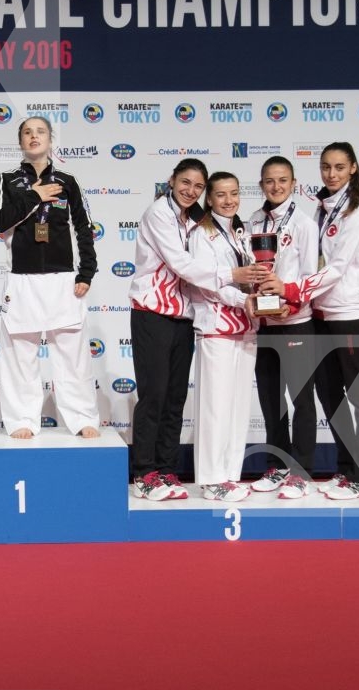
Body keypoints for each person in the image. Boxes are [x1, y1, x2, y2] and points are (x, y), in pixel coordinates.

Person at [125, 158, 267, 500]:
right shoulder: (159, 213)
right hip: (152, 312)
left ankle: (166, 470)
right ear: (172, 180)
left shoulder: (192, 220)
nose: (191, 190)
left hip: (183, 316)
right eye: (186, 182)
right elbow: (183, 265)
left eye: (198, 186)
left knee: (175, 398)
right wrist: (232, 276)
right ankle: (144, 474)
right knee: (154, 395)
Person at [0, 116, 101, 441]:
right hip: (22, 278)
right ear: (20, 141)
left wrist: (87, 271)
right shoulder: (7, 181)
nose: (34, 136)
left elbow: (84, 228)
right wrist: (35, 196)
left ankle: (82, 417)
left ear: (51, 139)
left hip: (62, 278)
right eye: (27, 132)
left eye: (40, 131)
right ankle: (21, 419)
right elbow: (0, 221)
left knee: (72, 356)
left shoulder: (68, 181)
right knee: (20, 355)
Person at [295, 143, 359, 500]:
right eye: (326, 167)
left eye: (339, 167)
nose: (331, 174)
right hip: (321, 313)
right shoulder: (322, 208)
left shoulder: (357, 210)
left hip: (349, 315)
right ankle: (346, 469)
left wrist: (294, 290)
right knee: (330, 396)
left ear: (353, 168)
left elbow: (337, 267)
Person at [244, 156, 321, 500]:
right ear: (261, 184)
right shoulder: (253, 221)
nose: (276, 186)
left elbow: (309, 276)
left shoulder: (304, 223)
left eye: (282, 180)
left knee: (302, 400)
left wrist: (292, 303)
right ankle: (277, 466)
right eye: (269, 181)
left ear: (294, 184)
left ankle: (301, 472)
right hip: (263, 324)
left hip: (295, 323)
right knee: (271, 400)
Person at [185, 173, 257, 501]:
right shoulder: (202, 233)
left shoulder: (240, 232)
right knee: (215, 406)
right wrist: (243, 299)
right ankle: (212, 479)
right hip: (216, 326)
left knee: (238, 407)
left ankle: (230, 475)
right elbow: (205, 282)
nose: (229, 201)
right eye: (221, 195)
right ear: (209, 199)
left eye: (234, 193)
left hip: (246, 326)